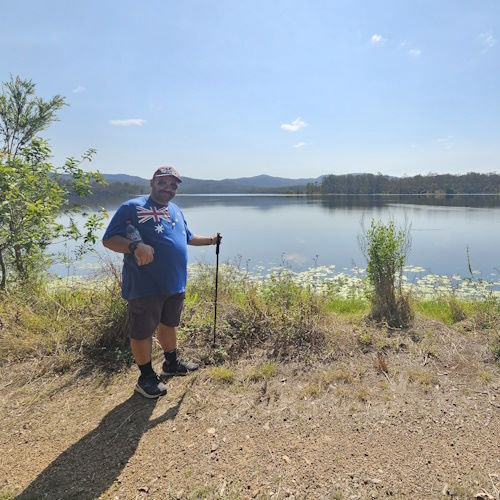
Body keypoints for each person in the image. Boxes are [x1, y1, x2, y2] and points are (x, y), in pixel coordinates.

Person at [102, 166, 221, 398]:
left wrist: (211, 240)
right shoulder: (132, 207)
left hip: (174, 283)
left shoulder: (175, 209)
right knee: (142, 332)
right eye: (163, 183)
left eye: (173, 185)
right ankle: (145, 377)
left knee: (169, 324)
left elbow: (187, 237)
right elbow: (109, 240)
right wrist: (134, 246)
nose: (168, 188)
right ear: (152, 183)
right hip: (145, 284)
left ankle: (171, 363)